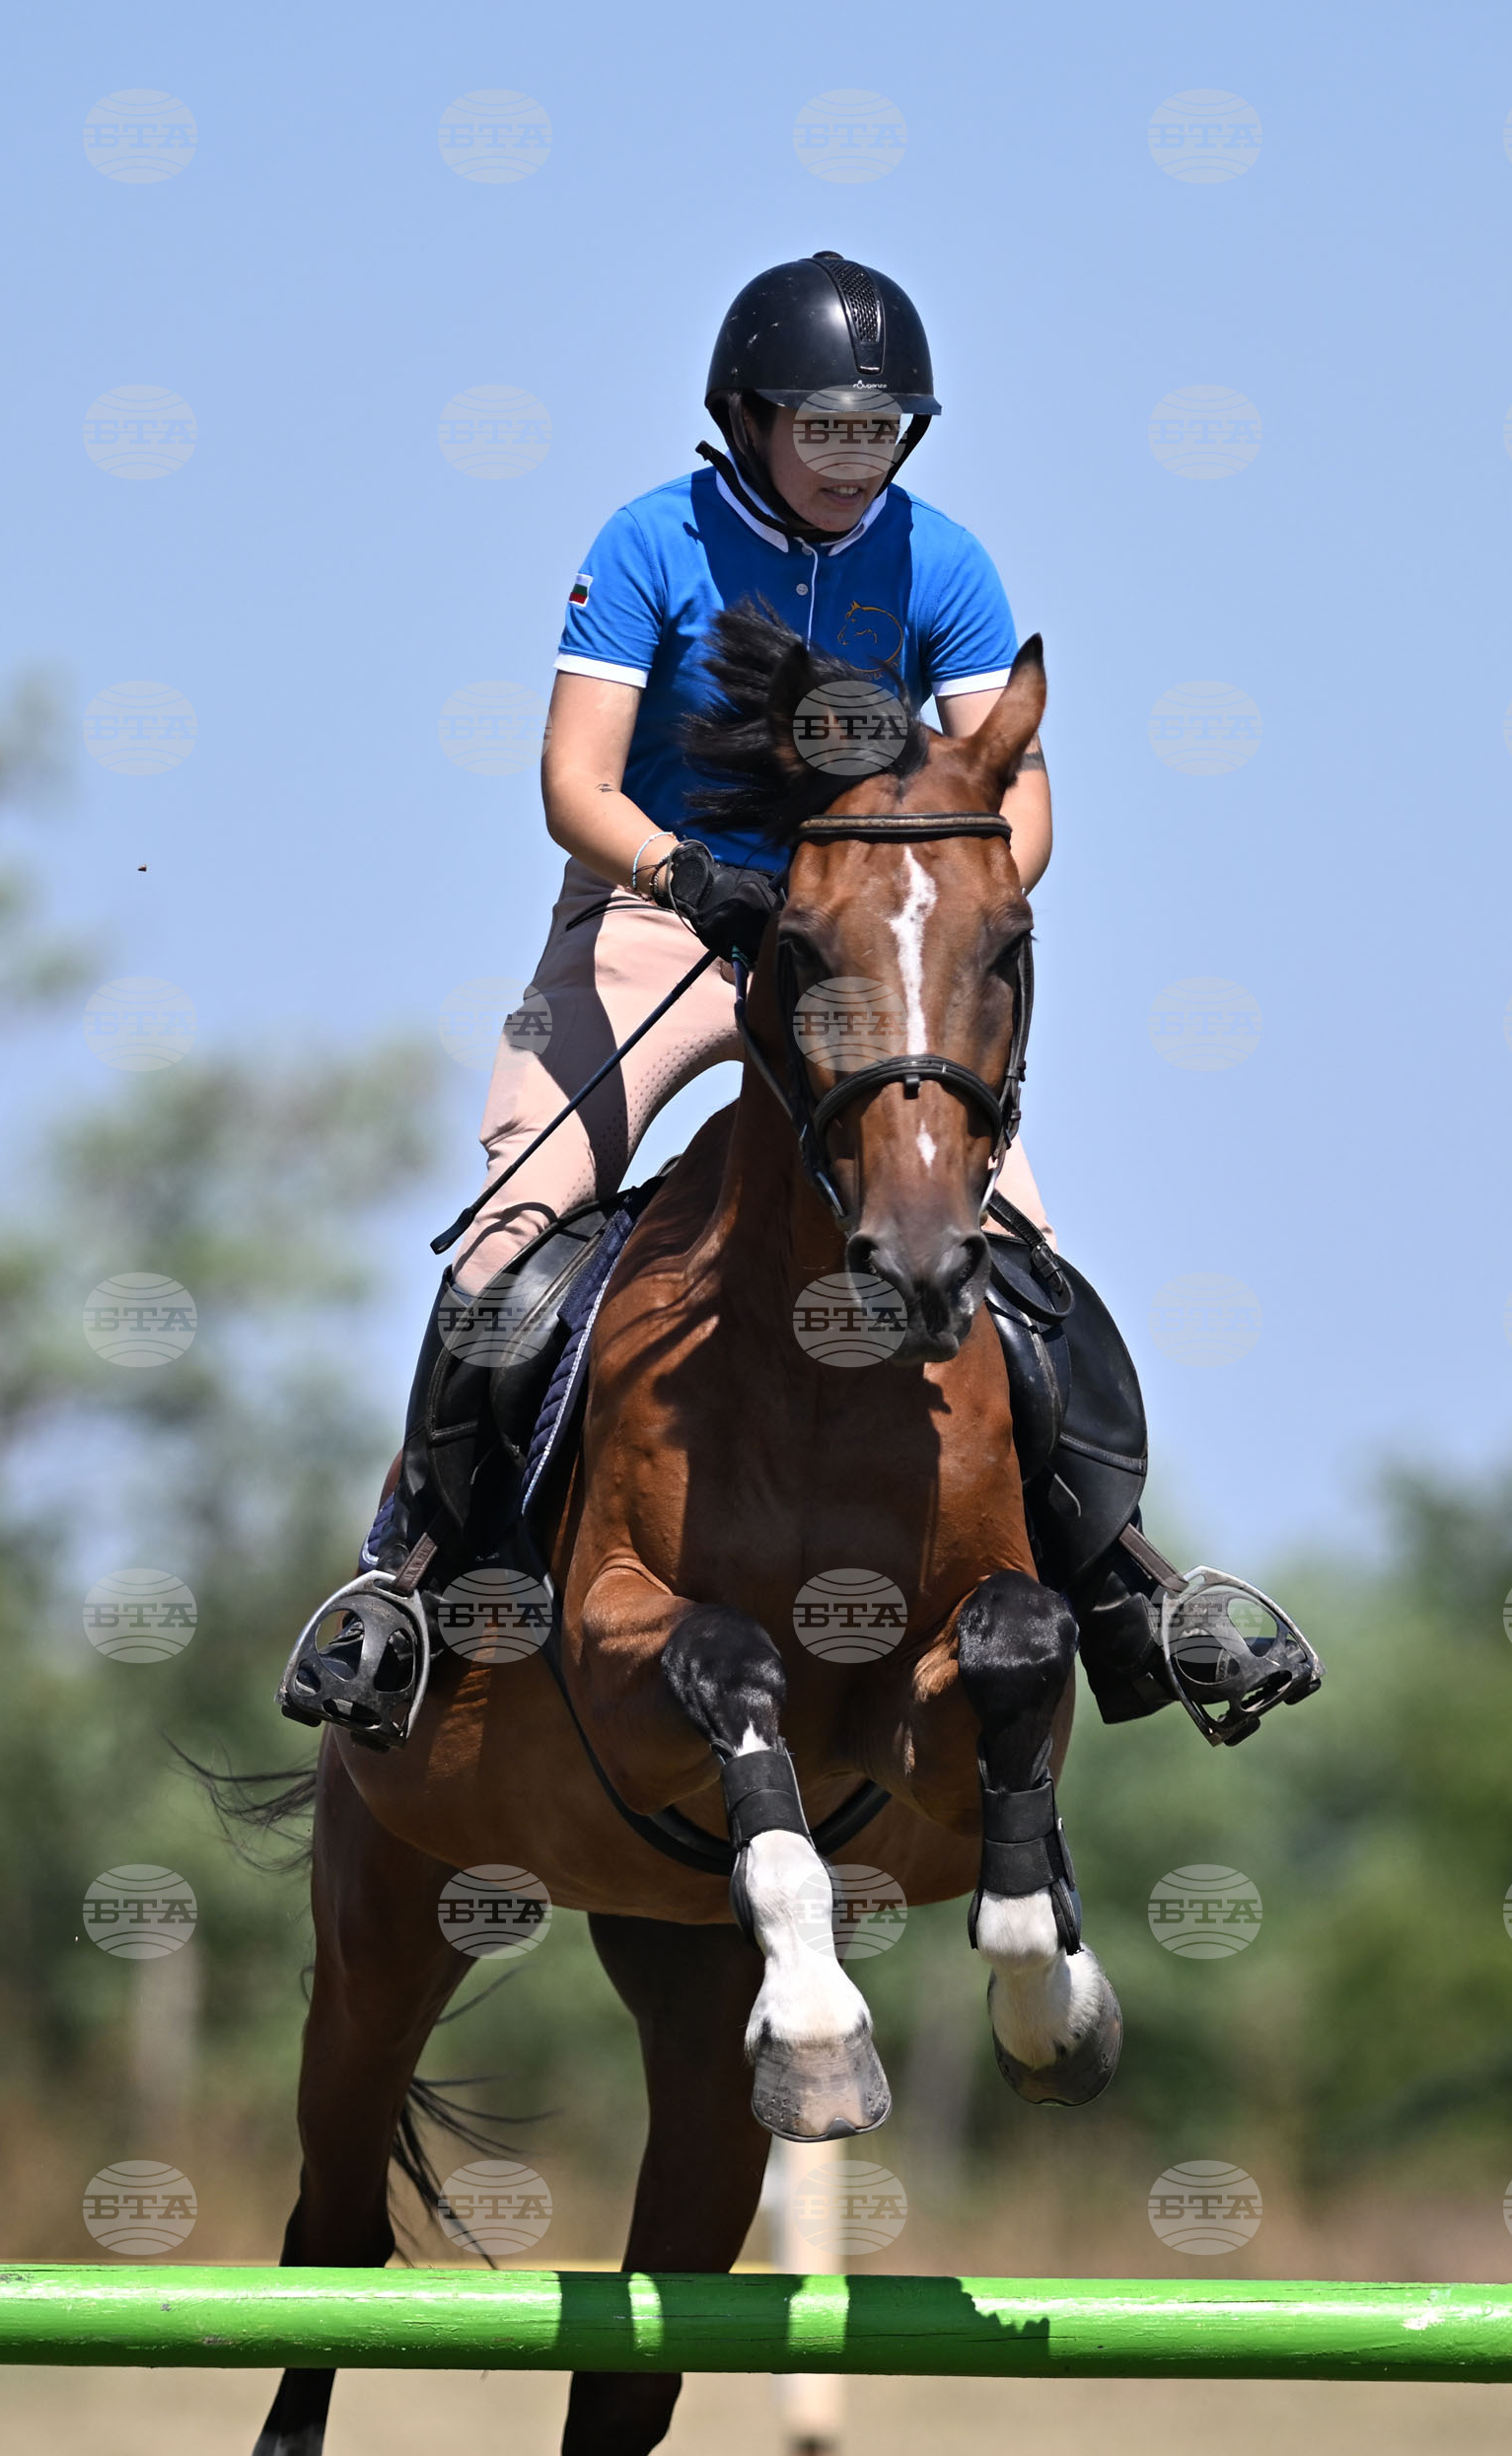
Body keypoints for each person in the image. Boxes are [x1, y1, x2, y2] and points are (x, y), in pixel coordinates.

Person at [291, 252, 1320, 1752]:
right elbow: (572, 784)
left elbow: (1017, 798)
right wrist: (688, 872)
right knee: (514, 1230)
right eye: (826, 428)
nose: (855, 458)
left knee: (1022, 1253)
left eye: (880, 430)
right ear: (749, 417)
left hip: (862, 952)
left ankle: (1122, 1583)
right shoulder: (649, 541)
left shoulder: (947, 563)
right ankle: (408, 1583)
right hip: (655, 921)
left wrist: (965, 902)